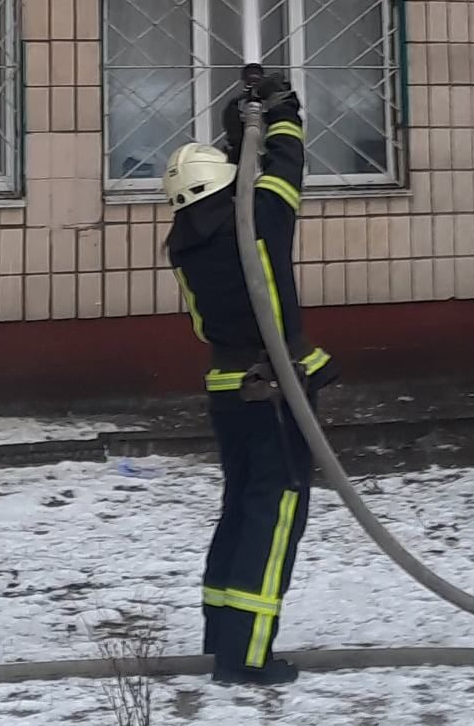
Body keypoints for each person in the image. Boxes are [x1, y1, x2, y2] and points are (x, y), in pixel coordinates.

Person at [163, 72, 339, 685]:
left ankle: (224, 635)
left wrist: (238, 128)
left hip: (229, 391)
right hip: (276, 392)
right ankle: (248, 657)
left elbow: (236, 191)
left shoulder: (183, 243)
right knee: (276, 512)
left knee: (241, 507)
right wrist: (285, 109)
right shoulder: (259, 216)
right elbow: (285, 167)